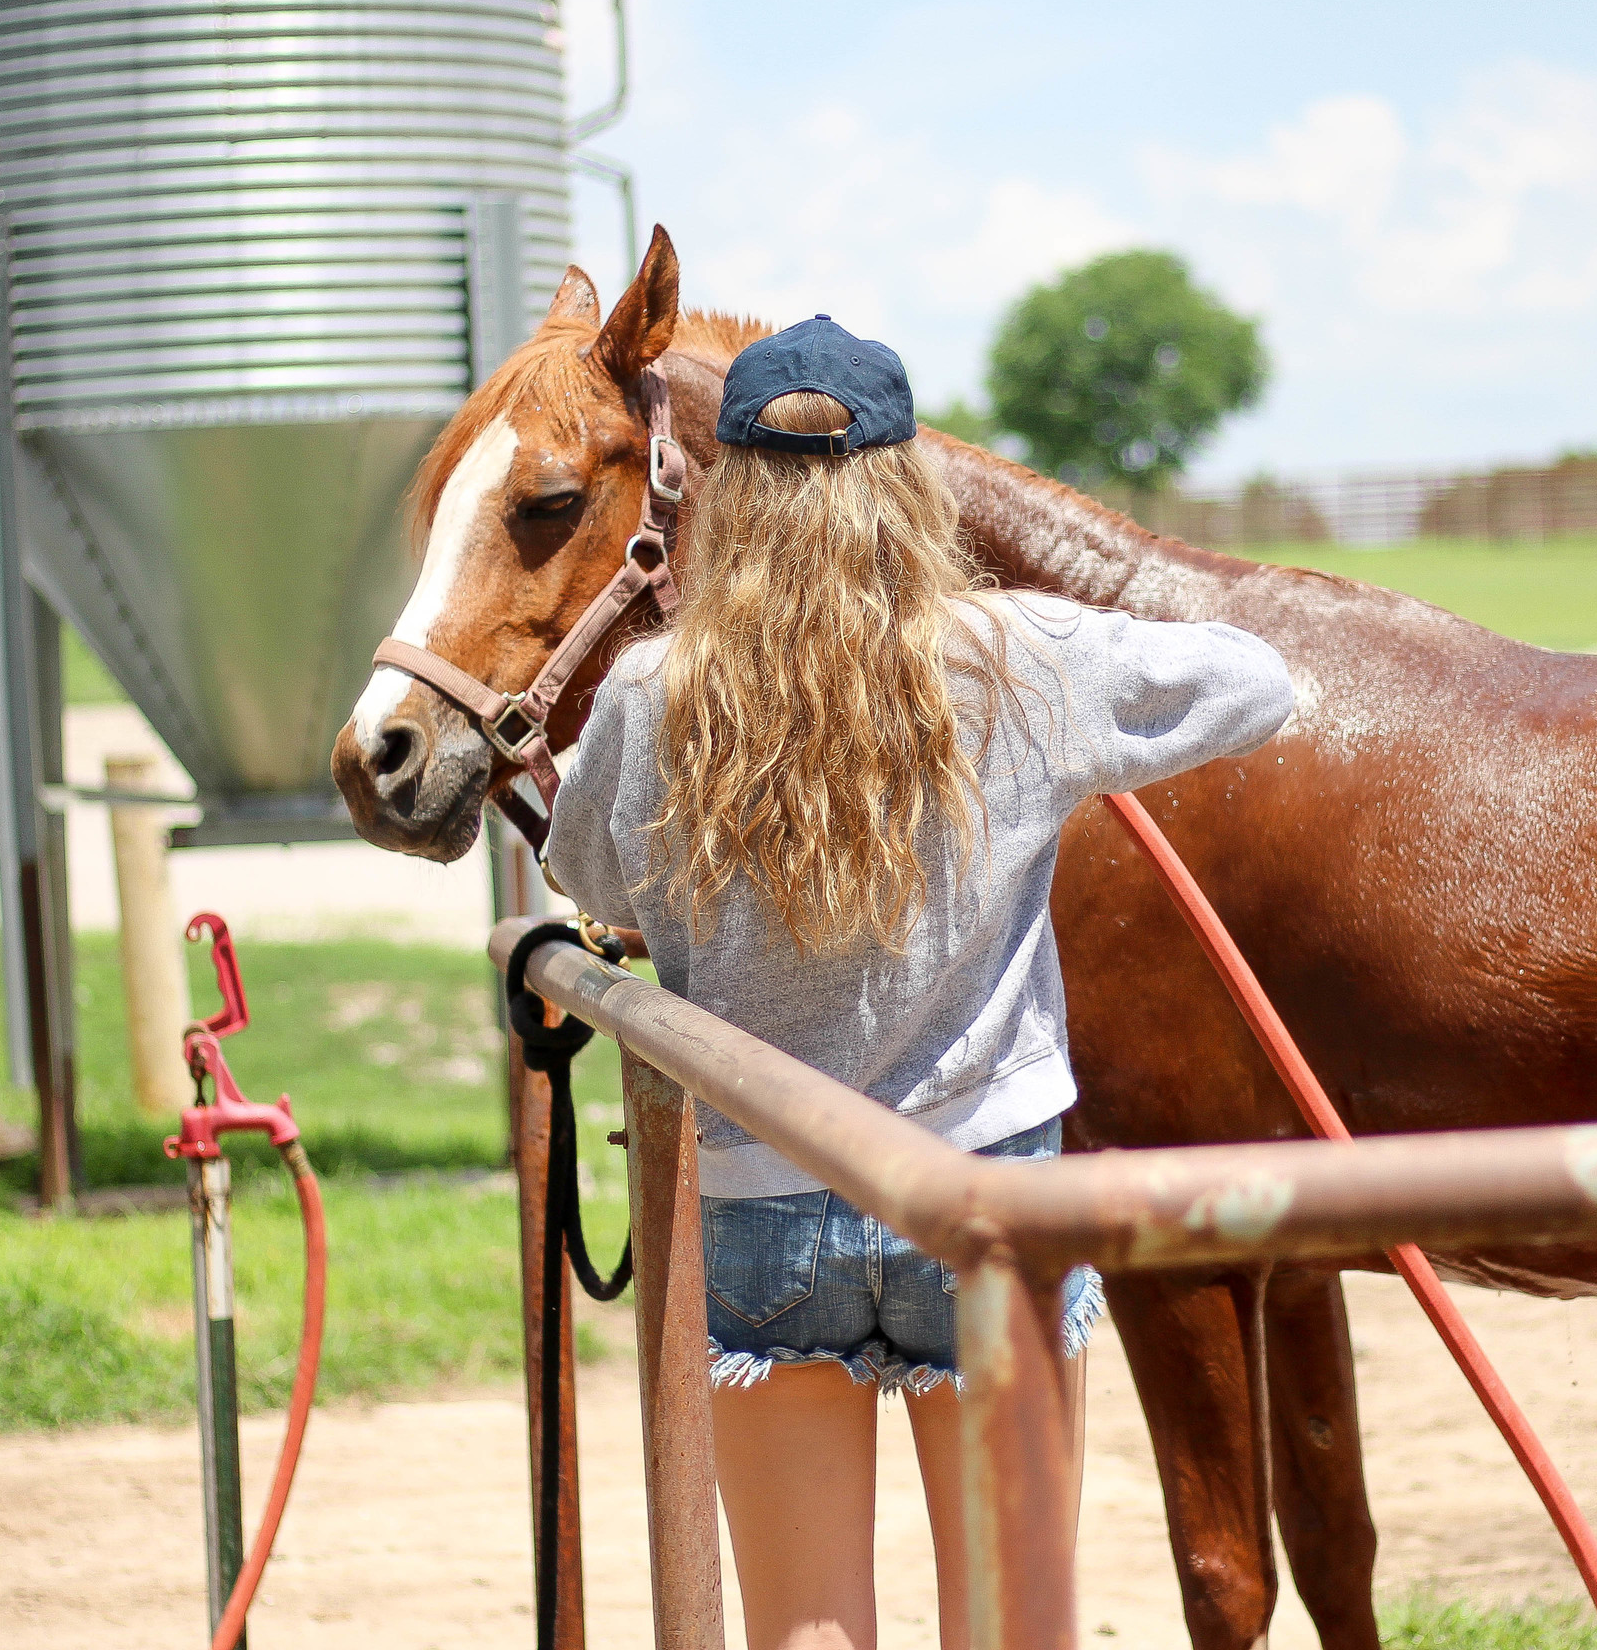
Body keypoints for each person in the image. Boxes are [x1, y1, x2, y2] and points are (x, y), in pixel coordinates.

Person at [546, 314, 1294, 1650]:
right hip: (987, 1196)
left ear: (737, 493)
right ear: (905, 486)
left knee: (801, 1629)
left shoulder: (654, 693)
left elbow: (592, 885)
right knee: (1011, 1626)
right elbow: (1258, 682)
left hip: (761, 1207)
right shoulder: (1021, 660)